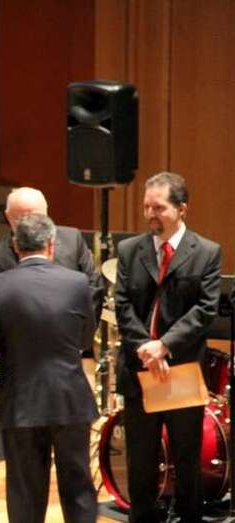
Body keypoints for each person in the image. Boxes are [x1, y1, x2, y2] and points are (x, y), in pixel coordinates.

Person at [0, 213, 99, 523]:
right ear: (51, 244)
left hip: (21, 402)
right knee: (78, 487)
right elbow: (85, 337)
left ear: (15, 245)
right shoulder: (77, 283)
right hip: (70, 399)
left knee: (25, 492)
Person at [115, 172, 221, 523]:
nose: (150, 214)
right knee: (141, 464)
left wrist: (164, 346)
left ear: (182, 209)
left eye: (158, 207)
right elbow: (123, 306)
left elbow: (205, 310)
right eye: (147, 207)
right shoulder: (129, 250)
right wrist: (146, 349)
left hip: (181, 369)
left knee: (187, 462)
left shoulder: (206, 252)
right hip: (140, 370)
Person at [0, 187, 103, 319]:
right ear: (8, 217)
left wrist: (78, 326)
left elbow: (93, 287)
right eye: (21, 219)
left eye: (36, 217)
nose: (30, 226)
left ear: (46, 212)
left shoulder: (72, 238)